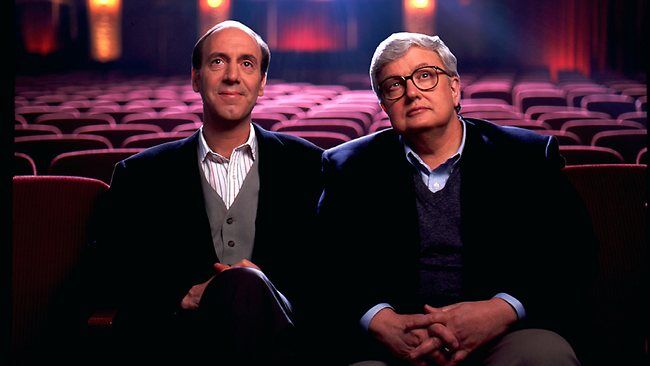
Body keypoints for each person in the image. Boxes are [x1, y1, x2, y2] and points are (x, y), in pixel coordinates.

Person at [314, 32, 596, 365]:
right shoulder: (349, 166)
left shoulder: (526, 156)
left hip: (501, 335)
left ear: (454, 87)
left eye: (425, 76)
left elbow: (572, 254)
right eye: (394, 85)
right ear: (384, 106)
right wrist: (380, 320)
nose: (412, 92)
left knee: (544, 355)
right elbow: (324, 266)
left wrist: (502, 309)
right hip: (395, 342)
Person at [92, 20, 322, 364]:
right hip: (180, 346)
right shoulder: (140, 175)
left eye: (247, 63)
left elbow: (331, 270)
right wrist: (182, 297)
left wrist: (260, 291)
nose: (232, 75)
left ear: (261, 84)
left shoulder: (310, 165)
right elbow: (109, 275)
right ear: (196, 78)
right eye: (218, 61)